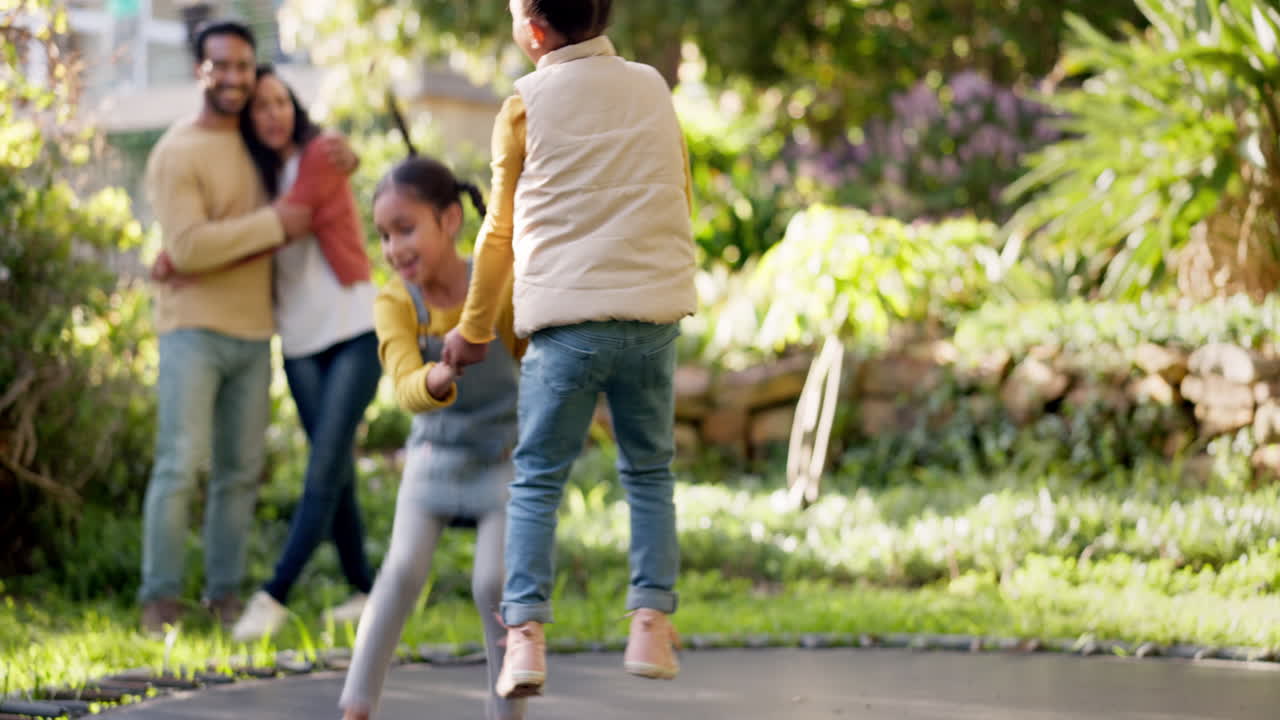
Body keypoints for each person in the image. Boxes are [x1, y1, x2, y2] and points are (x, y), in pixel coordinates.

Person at [441, 0, 696, 698]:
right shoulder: (651, 84)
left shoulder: (524, 104)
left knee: (539, 479)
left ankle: (523, 637)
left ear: (533, 30)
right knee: (648, 473)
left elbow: (498, 233)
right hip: (650, 319)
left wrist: (473, 328)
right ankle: (650, 620)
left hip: (568, 326)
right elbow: (680, 187)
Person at [139, 19, 313, 635]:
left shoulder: (259, 142)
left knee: (239, 474)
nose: (236, 78)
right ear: (200, 71)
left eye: (244, 65)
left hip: (254, 330)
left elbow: (307, 167)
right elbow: (186, 248)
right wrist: (273, 224)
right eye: (223, 67)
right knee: (180, 464)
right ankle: (158, 602)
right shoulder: (175, 151)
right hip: (191, 330)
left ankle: (223, 598)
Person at [338, 156, 527, 720]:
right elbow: (402, 383)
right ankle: (356, 703)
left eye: (406, 229)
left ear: (449, 220)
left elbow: (532, 354)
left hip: (501, 459)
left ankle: (506, 715)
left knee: (494, 584)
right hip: (433, 461)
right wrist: (436, 376)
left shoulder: (497, 286)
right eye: (385, 236)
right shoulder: (395, 302)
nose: (394, 248)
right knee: (399, 575)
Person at [224, 66, 383, 641]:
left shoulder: (319, 154)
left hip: (352, 327)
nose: (273, 114)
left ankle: (274, 594)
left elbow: (287, 224)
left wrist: (199, 251)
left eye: (280, 102)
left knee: (323, 465)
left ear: (295, 106)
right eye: (260, 107)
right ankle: (368, 589)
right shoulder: (256, 176)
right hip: (297, 336)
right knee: (332, 467)